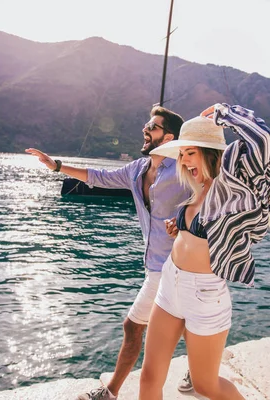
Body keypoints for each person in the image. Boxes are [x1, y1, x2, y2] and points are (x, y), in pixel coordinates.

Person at [25, 106, 191, 400]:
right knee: (186, 321)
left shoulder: (183, 170)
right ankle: (196, 368)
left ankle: (110, 391)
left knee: (133, 326)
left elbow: (208, 199)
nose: (144, 129)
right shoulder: (136, 170)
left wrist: (185, 222)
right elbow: (97, 176)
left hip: (175, 266)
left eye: (151, 126)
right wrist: (56, 166)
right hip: (158, 265)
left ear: (168, 137)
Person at [139, 103, 270, 400]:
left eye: (190, 153)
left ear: (211, 153)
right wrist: (180, 229)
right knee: (148, 378)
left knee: (205, 385)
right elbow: (204, 236)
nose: (183, 161)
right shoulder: (198, 191)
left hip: (205, 296)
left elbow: (263, 140)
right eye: (181, 155)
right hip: (170, 285)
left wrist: (224, 112)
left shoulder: (231, 189)